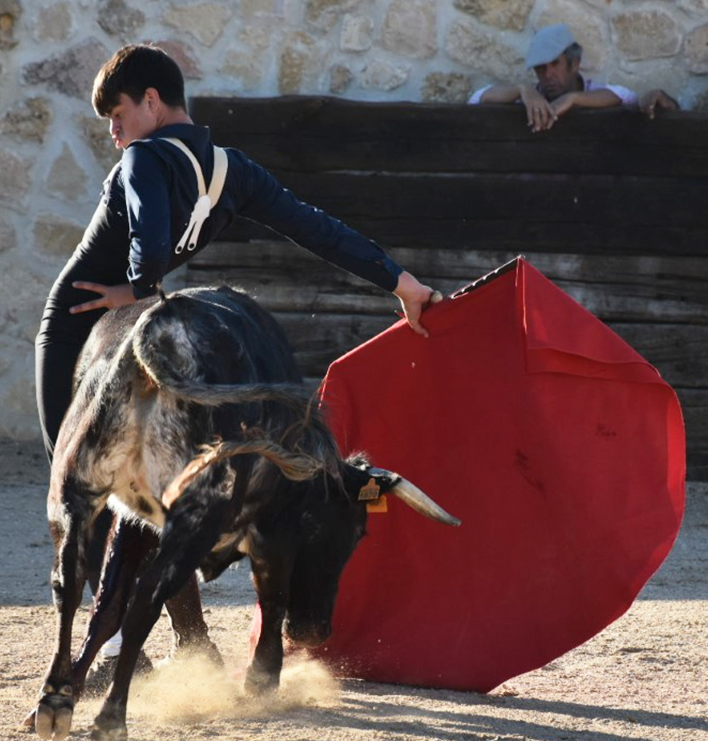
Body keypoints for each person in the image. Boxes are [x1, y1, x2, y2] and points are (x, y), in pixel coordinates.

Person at [36, 43, 440, 462]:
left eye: (118, 114)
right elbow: (318, 230)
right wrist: (402, 284)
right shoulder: (236, 172)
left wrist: (134, 291)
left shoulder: (142, 157)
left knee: (69, 472)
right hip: (136, 317)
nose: (113, 131)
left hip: (74, 319)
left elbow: (150, 252)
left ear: (151, 101)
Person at [468, 24, 638, 133]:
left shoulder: (593, 93)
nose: (548, 74)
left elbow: (628, 97)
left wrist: (573, 98)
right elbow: (476, 98)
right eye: (540, 67)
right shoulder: (531, 99)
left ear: (575, 64)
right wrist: (521, 90)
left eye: (555, 64)